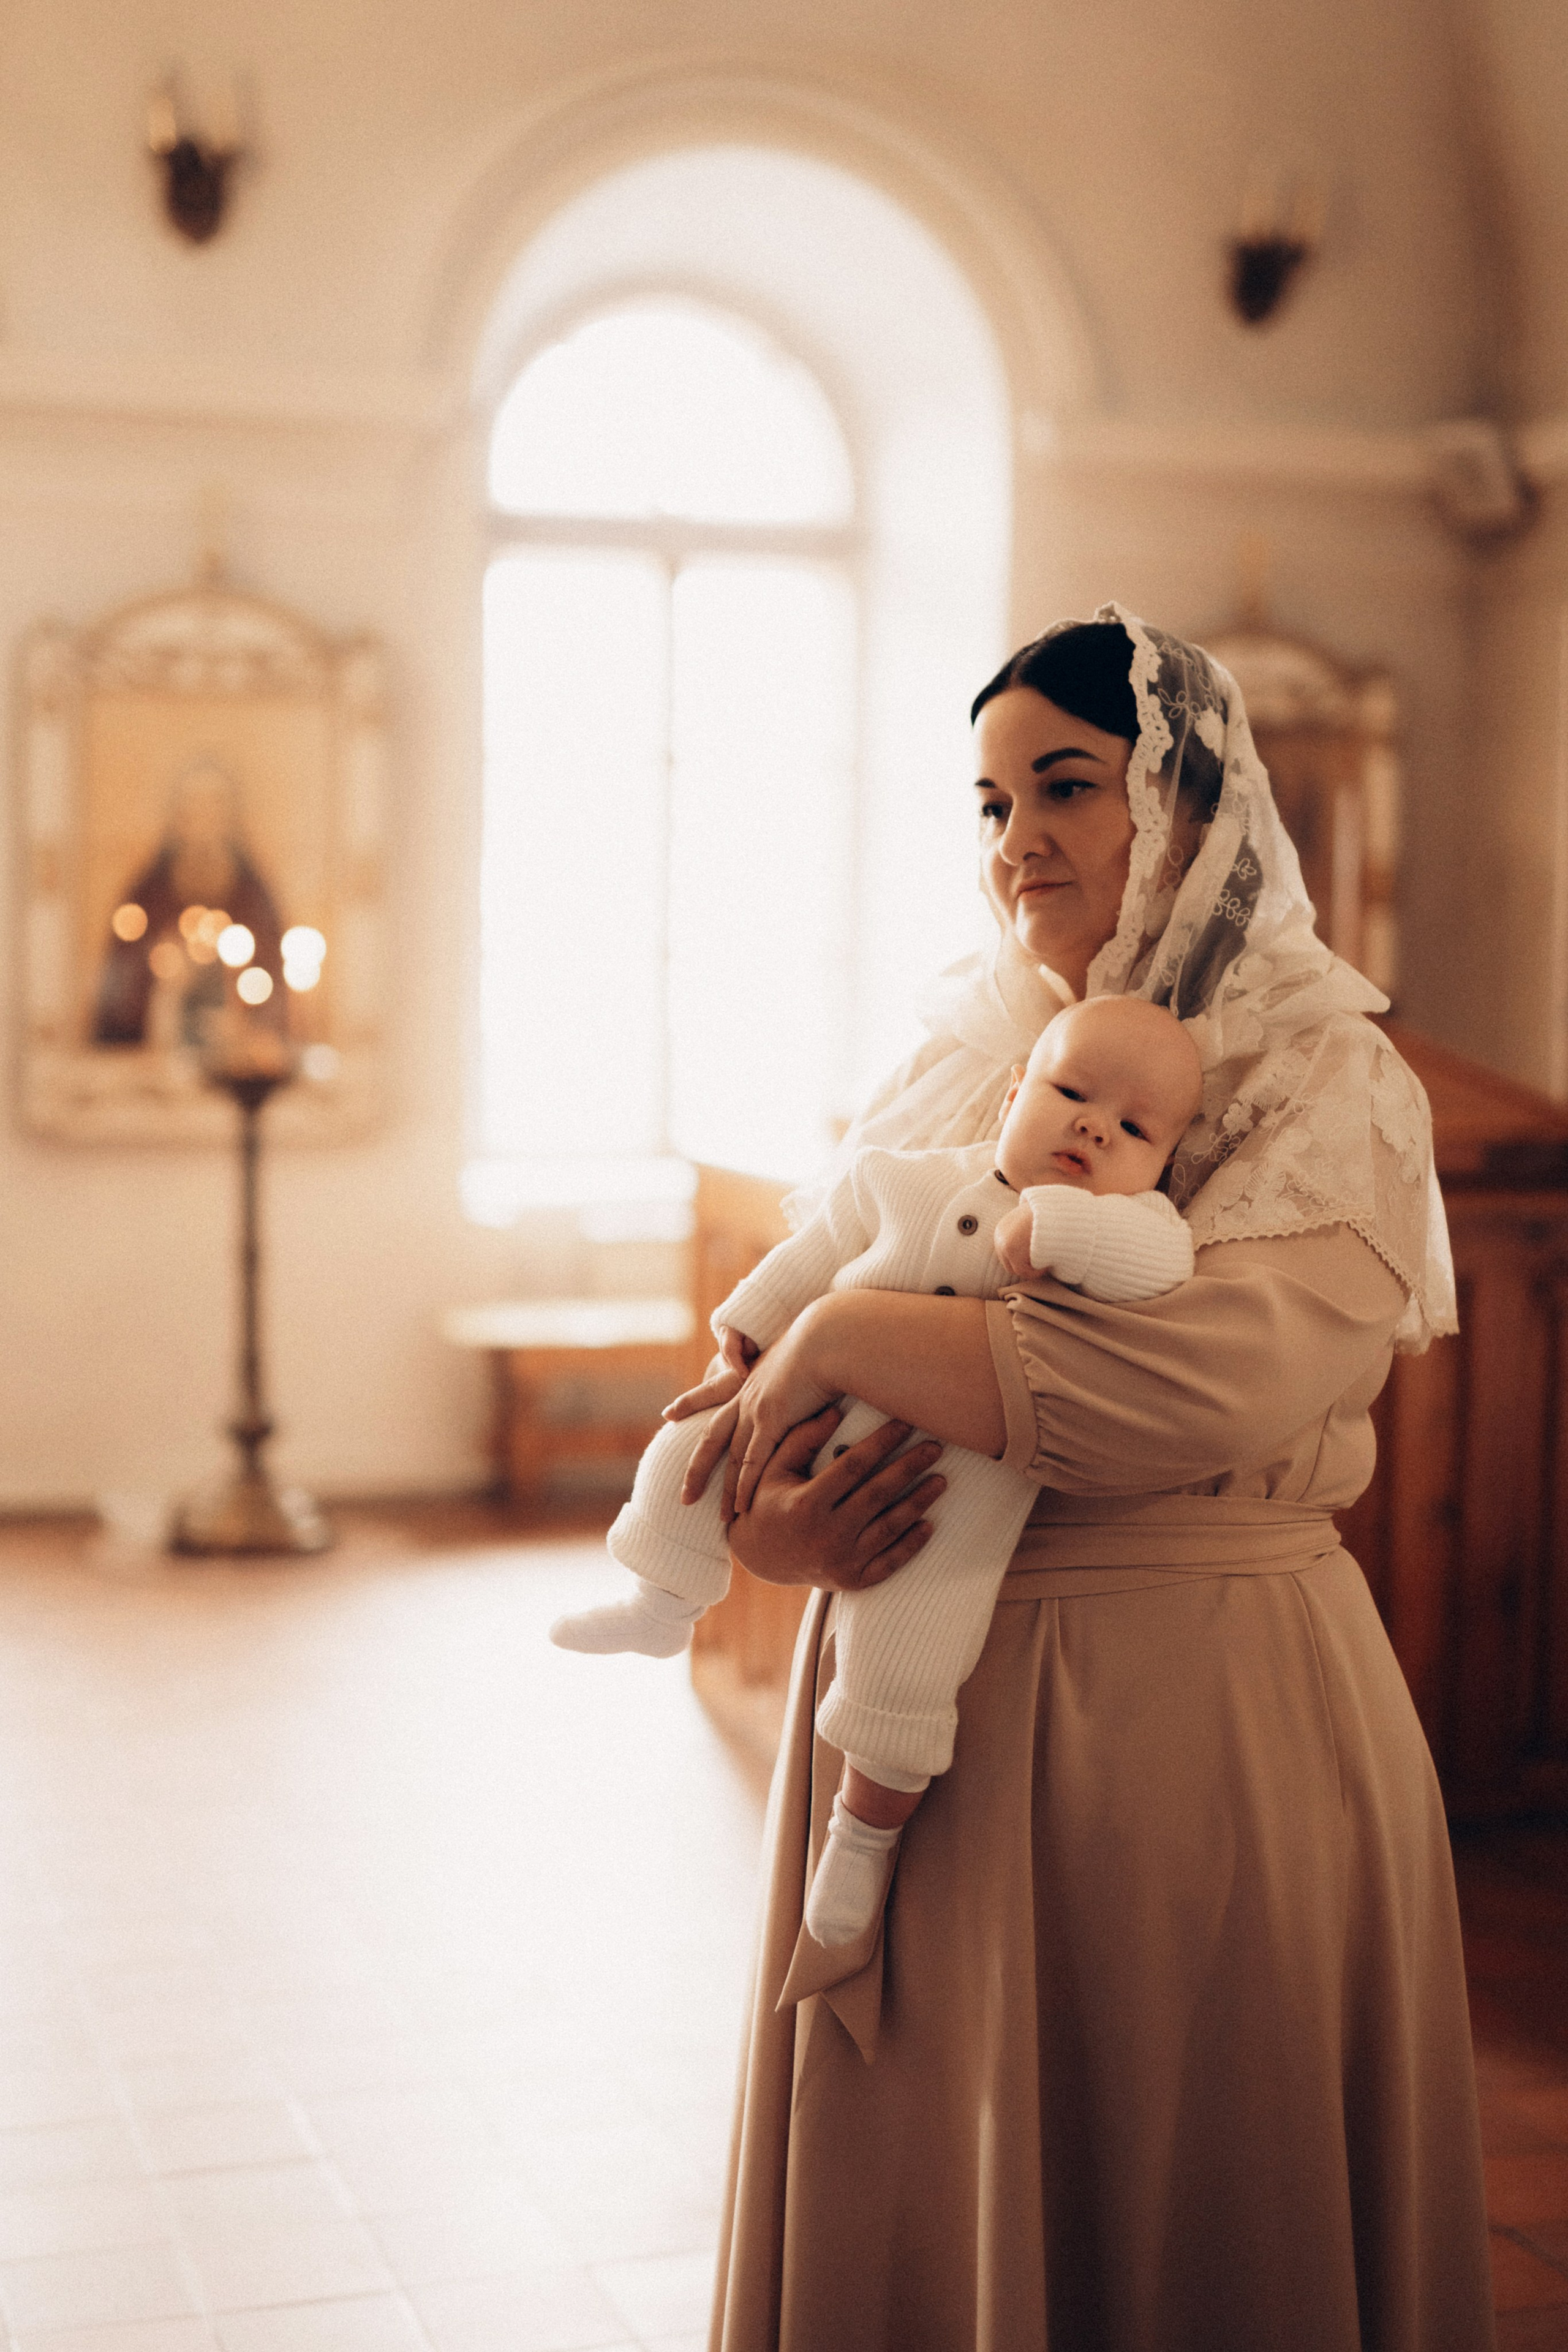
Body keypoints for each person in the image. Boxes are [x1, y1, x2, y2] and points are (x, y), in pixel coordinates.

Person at [682, 609, 1493, 2352]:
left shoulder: (1329, 1071)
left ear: (1194, 804)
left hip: (1191, 1716)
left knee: (1180, 2199)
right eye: (986, 804)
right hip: (908, 1699)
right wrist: (766, 1516)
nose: (1017, 841)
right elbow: (754, 1376)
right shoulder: (955, 1059)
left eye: (1067, 785)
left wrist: (837, 1338)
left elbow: (1188, 1386)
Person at [552, 995, 1202, 1947]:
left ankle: (862, 1838)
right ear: (1017, 1088)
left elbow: (1164, 1262)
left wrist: (1065, 1232)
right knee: (692, 1449)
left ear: (1161, 1163)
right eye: (1071, 1091)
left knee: (911, 1663)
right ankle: (663, 1601)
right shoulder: (899, 1180)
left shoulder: (1130, 1223)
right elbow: (813, 1252)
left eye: (1134, 1128)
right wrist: (745, 1337)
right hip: (805, 1413)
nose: (1095, 1125)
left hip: (951, 1505)